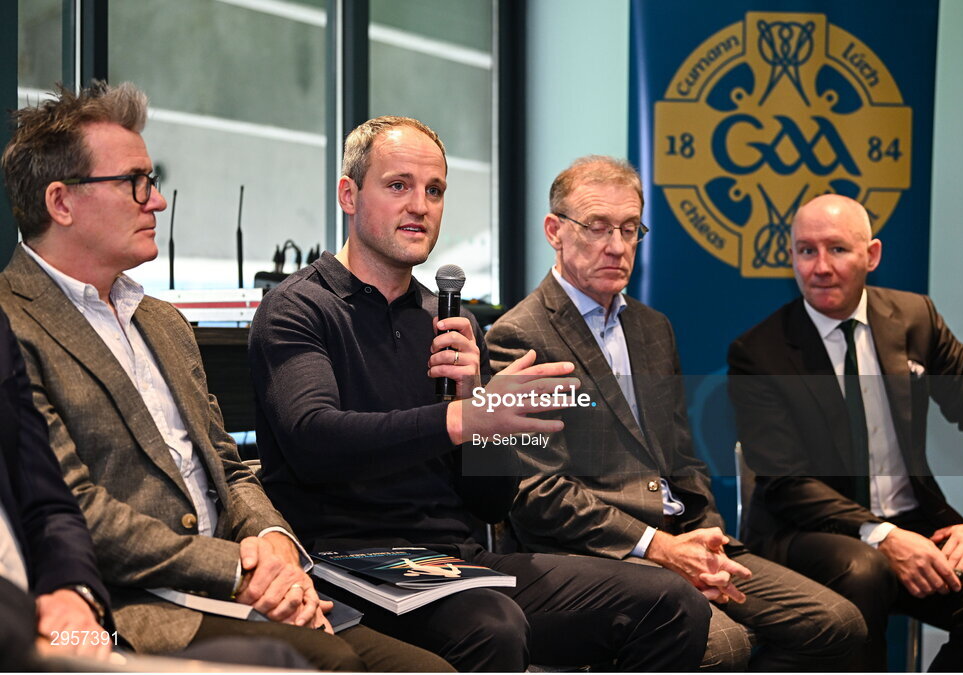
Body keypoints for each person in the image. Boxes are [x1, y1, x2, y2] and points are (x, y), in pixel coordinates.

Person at [0, 81, 450, 672]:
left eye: (436, 190)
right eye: (136, 183)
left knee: (442, 663)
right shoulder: (15, 326)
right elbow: (73, 506)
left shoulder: (160, 320)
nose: (156, 202)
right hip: (140, 606)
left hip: (274, 581)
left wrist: (275, 546)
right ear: (61, 202)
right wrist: (240, 568)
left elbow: (229, 468)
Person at [248, 116, 713, 672]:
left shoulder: (449, 319)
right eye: (398, 186)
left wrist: (482, 413)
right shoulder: (299, 307)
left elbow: (490, 503)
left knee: (669, 602)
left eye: (435, 190)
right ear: (349, 195)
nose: (420, 205)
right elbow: (314, 440)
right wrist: (464, 416)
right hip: (348, 562)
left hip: (456, 562)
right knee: (492, 625)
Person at [486, 155, 866, 670]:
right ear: (555, 230)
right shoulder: (519, 336)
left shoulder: (652, 328)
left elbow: (683, 460)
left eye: (629, 228)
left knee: (839, 624)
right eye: (596, 227)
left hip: (684, 538)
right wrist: (659, 548)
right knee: (725, 645)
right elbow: (536, 493)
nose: (617, 247)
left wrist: (704, 545)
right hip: (600, 557)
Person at [727, 193, 963, 670]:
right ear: (792, 258)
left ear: (872, 255)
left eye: (838, 249)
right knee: (864, 571)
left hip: (916, 521)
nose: (820, 267)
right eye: (806, 251)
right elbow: (786, 481)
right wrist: (882, 534)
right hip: (808, 532)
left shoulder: (915, 319)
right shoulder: (758, 352)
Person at [0, 305, 112, 669]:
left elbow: (48, 503)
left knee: (274, 655)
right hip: (19, 635)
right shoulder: (20, 310)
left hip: (53, 625)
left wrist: (73, 592)